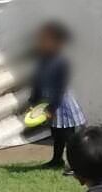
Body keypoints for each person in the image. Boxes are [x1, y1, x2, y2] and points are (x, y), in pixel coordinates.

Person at [27, 20, 85, 175]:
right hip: (48, 101)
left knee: (68, 136)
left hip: (62, 103)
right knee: (56, 134)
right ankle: (56, 159)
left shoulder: (62, 62)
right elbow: (37, 81)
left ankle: (75, 165)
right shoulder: (41, 60)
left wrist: (51, 108)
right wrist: (34, 101)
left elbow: (60, 88)